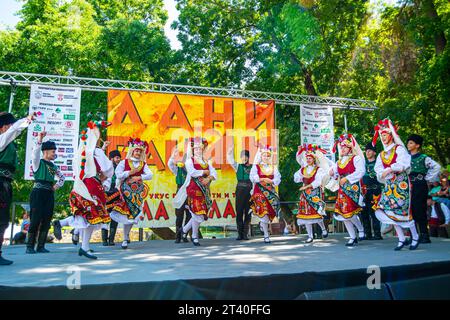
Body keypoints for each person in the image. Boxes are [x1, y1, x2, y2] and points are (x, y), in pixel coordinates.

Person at [54, 120, 113, 259]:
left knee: (85, 216)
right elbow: (108, 168)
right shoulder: (96, 152)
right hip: (92, 187)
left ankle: (67, 229)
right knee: (92, 217)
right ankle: (84, 246)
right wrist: (104, 176)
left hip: (80, 186)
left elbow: (78, 171)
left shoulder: (80, 152)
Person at [372, 118, 420, 250]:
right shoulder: (381, 154)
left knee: (403, 211)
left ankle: (415, 237)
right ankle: (401, 238)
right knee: (389, 212)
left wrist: (390, 168)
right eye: (381, 135)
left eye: (385, 134)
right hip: (389, 186)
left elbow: (404, 164)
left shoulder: (399, 149)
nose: (383, 137)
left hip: (401, 185)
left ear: (391, 135)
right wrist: (382, 173)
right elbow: (378, 168)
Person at [0, 112, 35, 266]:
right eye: (9, 125)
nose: (11, 129)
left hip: (5, 183)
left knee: (2, 220)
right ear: (4, 127)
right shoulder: (2, 139)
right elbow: (13, 130)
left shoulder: (7, 142)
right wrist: (25, 120)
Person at [109, 138, 153, 249]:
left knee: (134, 214)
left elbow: (150, 175)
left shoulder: (143, 164)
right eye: (136, 151)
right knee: (126, 213)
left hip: (138, 193)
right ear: (132, 151)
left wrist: (139, 176)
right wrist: (129, 173)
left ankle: (126, 236)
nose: (138, 153)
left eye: (140, 151)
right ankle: (125, 238)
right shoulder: (124, 162)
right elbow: (118, 174)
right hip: (126, 192)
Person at [26, 131, 65, 254]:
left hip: (49, 194)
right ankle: (30, 247)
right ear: (46, 152)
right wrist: (39, 140)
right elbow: (35, 154)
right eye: (53, 151)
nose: (55, 154)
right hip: (38, 193)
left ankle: (41, 246)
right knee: (35, 219)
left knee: (47, 219)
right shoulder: (38, 163)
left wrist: (56, 186)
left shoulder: (54, 166)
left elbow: (62, 178)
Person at [173, 137, 217, 246]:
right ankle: (194, 236)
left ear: (203, 150)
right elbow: (192, 172)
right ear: (193, 150)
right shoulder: (189, 161)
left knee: (199, 214)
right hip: (193, 190)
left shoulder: (207, 161)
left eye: (200, 149)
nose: (198, 151)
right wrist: (204, 172)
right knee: (197, 214)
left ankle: (184, 230)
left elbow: (214, 173)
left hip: (204, 191)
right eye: (196, 149)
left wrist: (209, 178)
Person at [329, 133, 366, 246]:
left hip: (353, 187)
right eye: (341, 147)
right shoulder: (338, 162)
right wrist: (332, 174)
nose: (342, 149)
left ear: (350, 148)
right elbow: (335, 174)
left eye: (345, 146)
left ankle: (360, 229)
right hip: (342, 189)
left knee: (350, 212)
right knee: (342, 214)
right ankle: (352, 236)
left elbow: (361, 171)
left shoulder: (356, 158)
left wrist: (347, 178)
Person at [406, 134, 441, 244]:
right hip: (407, 186)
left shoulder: (423, 157)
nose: (408, 144)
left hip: (419, 185)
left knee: (419, 209)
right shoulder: (405, 158)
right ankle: (414, 235)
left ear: (417, 145)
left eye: (411, 143)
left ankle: (424, 235)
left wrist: (427, 178)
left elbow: (437, 167)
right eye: (408, 142)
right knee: (409, 209)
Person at [294, 144, 329, 243]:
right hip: (305, 194)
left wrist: (307, 186)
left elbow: (318, 181)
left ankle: (323, 229)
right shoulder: (303, 169)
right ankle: (310, 236)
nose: (308, 159)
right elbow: (296, 178)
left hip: (315, 193)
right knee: (306, 215)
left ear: (314, 159)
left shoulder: (318, 169)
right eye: (307, 158)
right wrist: (301, 177)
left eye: (310, 158)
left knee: (317, 212)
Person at [249, 144, 281, 244]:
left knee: (270, 211)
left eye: (268, 155)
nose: (266, 157)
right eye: (264, 155)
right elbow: (253, 177)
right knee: (263, 212)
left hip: (271, 193)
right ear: (261, 156)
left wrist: (271, 181)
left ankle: (264, 226)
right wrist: (263, 179)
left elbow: (277, 179)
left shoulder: (273, 167)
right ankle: (266, 235)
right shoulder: (256, 167)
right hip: (260, 192)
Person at [227, 145, 252, 241]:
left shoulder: (253, 167)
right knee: (239, 212)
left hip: (250, 191)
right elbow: (230, 160)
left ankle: (245, 234)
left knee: (248, 212)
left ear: (248, 157)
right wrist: (230, 152)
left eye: (246, 156)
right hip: (240, 191)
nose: (244, 158)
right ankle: (240, 234)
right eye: (242, 156)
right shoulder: (238, 166)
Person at [168, 145, 190, 243]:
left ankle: (184, 235)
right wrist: (173, 155)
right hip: (180, 191)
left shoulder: (191, 170)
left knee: (189, 215)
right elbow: (170, 164)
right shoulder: (178, 170)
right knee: (179, 214)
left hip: (190, 192)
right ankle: (178, 236)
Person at [360, 143, 383, 240]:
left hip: (375, 190)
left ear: (374, 152)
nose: (367, 152)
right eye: (366, 151)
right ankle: (367, 234)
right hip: (364, 191)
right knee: (364, 213)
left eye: (369, 150)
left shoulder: (378, 164)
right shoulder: (362, 164)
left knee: (374, 212)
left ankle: (377, 234)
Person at [102, 149, 122, 246]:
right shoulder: (107, 168)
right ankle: (104, 240)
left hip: (116, 194)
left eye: (119, 158)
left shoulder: (120, 168)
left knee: (115, 215)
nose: (118, 159)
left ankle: (111, 239)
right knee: (105, 215)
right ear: (112, 159)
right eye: (117, 157)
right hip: (106, 193)